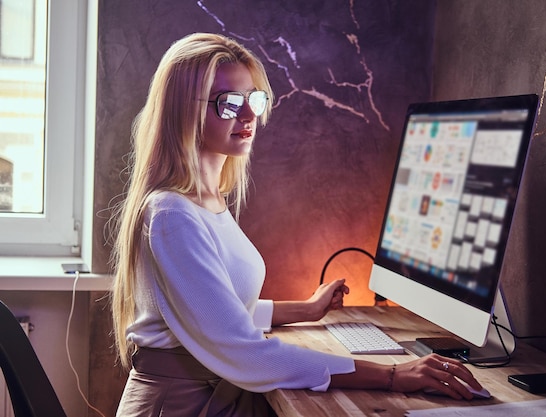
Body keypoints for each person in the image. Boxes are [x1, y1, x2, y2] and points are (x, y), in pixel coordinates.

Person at [110, 33, 484, 417]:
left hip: (210, 397)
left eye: (253, 99)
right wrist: (391, 375)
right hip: (181, 406)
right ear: (180, 110)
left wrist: (305, 310)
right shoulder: (173, 214)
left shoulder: (204, 202)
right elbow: (241, 349)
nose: (249, 116)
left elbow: (215, 312)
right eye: (228, 103)